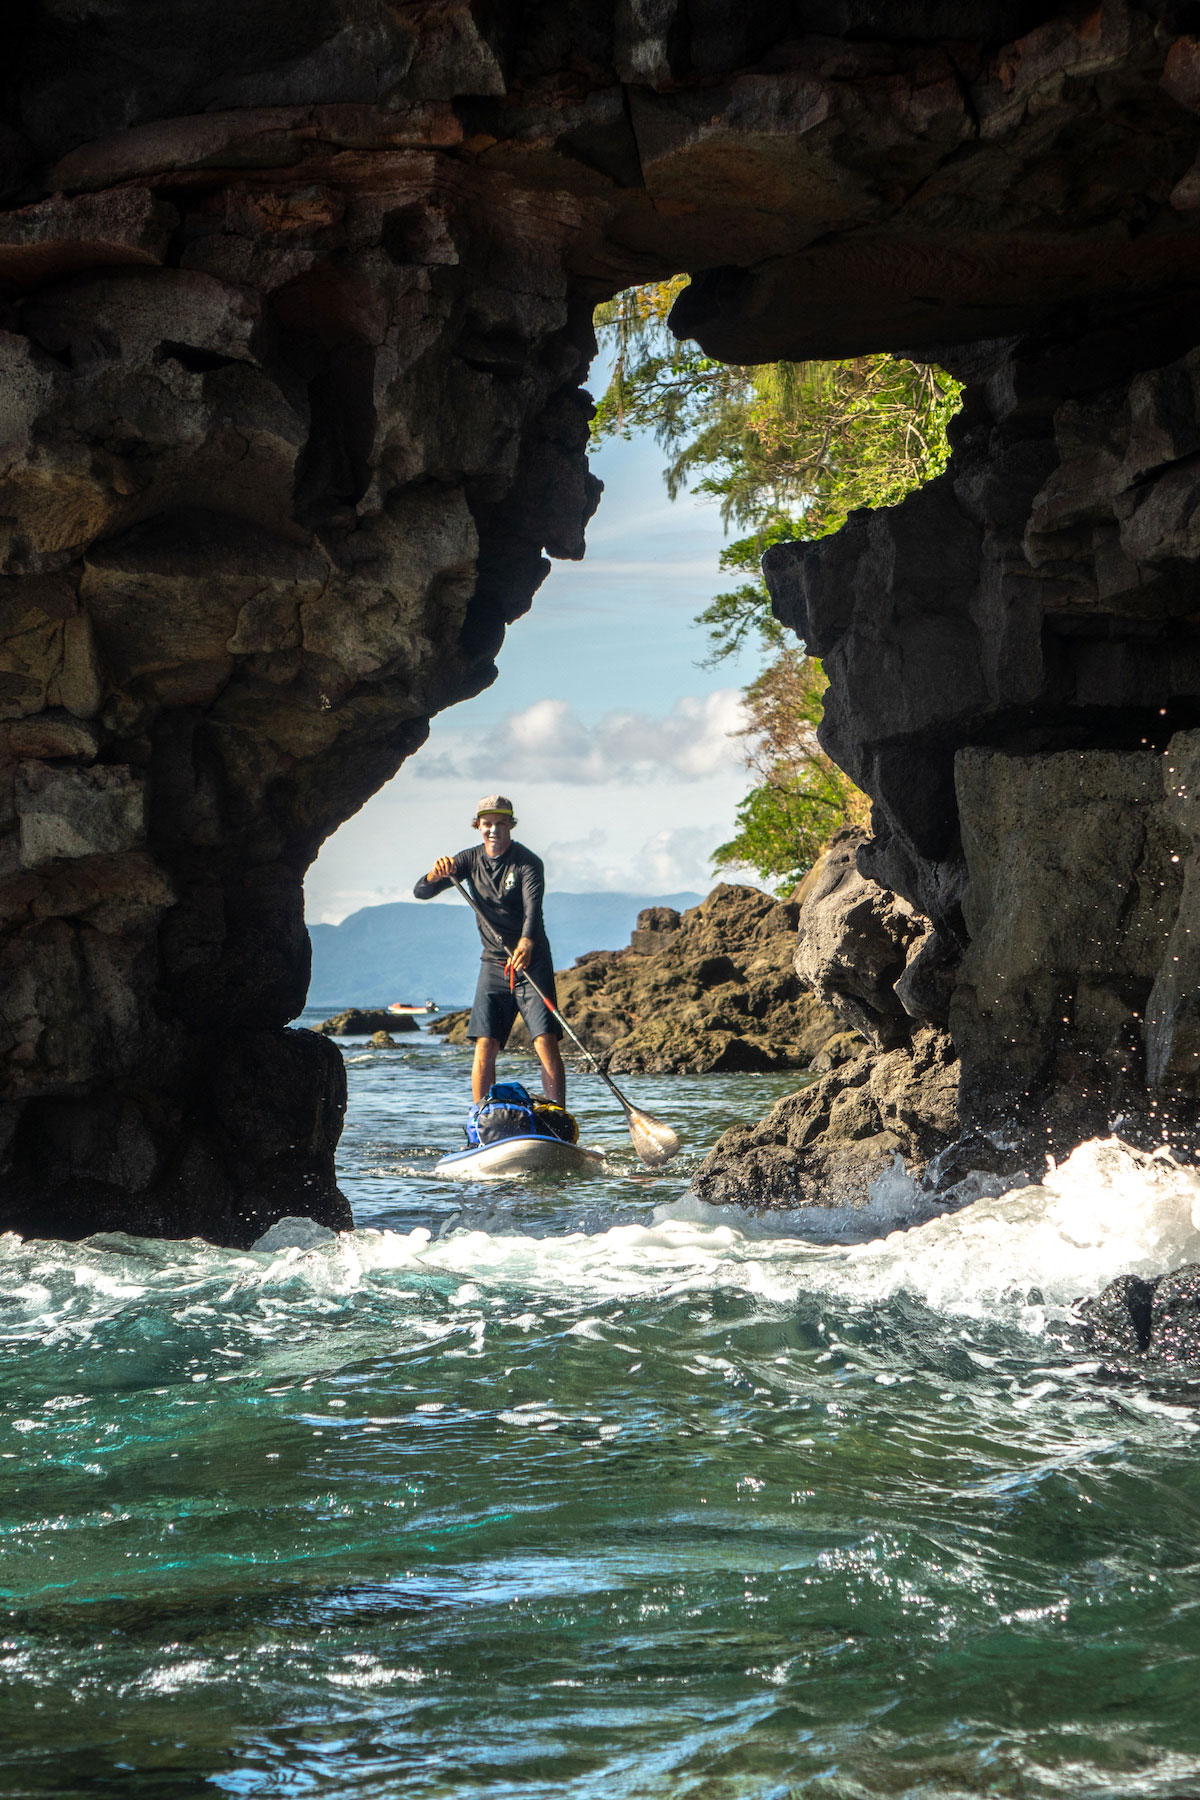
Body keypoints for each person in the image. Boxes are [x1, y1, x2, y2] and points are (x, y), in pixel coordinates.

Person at [413, 795, 566, 1107]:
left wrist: (526, 942)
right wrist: (435, 873)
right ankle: (481, 1116)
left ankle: (558, 1114)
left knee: (545, 1040)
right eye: (487, 824)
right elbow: (422, 891)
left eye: (500, 823)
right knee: (486, 1043)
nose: (493, 830)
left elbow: (532, 910)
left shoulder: (527, 862)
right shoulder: (468, 860)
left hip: (531, 962)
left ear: (510, 824)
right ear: (478, 826)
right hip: (494, 963)